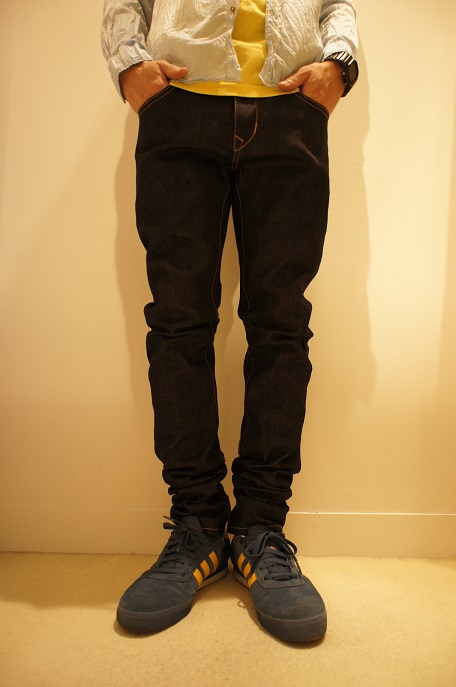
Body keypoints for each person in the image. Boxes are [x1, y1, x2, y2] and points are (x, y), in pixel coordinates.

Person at [101, 0, 358, 642]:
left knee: (281, 325)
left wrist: (339, 64)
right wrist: (128, 64)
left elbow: (339, 5)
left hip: (292, 109)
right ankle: (197, 525)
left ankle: (261, 528)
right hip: (179, 104)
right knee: (178, 323)